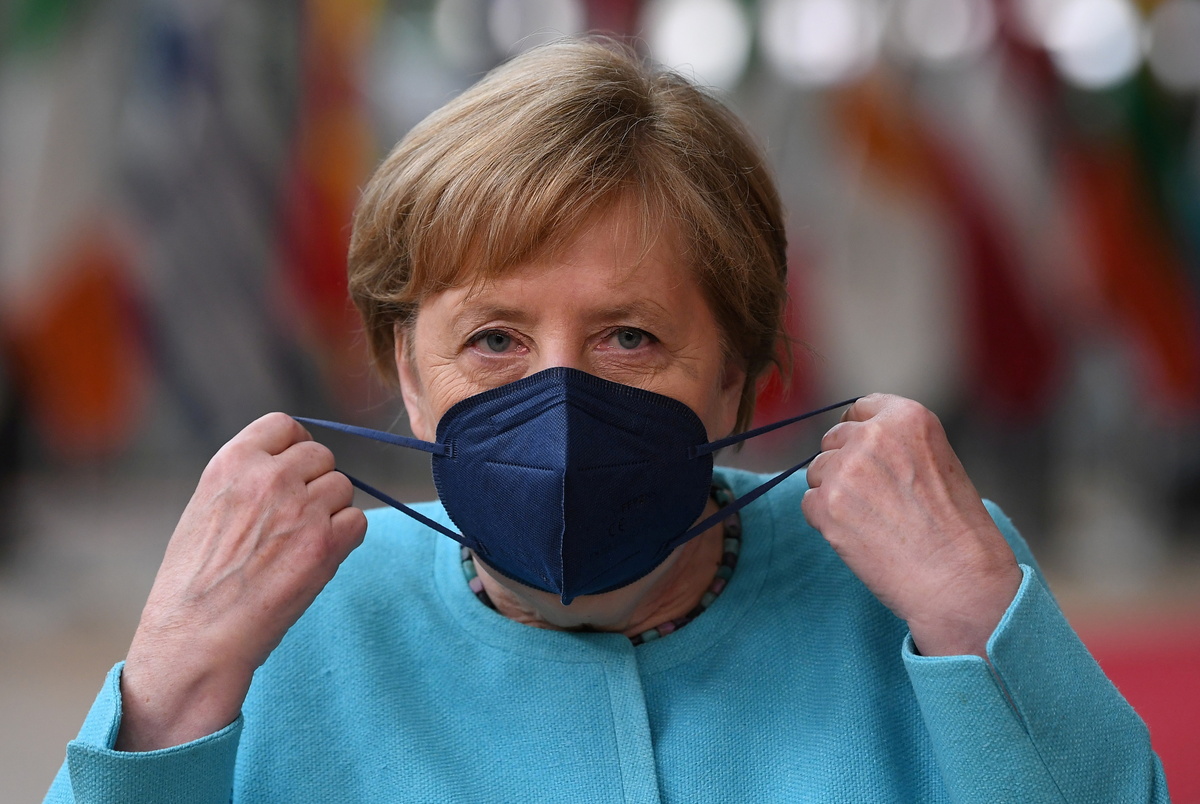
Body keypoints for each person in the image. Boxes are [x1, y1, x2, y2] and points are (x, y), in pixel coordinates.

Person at [47, 38, 1167, 802]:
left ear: (739, 378)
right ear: (408, 373)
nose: (561, 402)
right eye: (494, 340)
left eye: (629, 337)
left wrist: (975, 614)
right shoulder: (289, 616)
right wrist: (171, 694)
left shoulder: (920, 577)